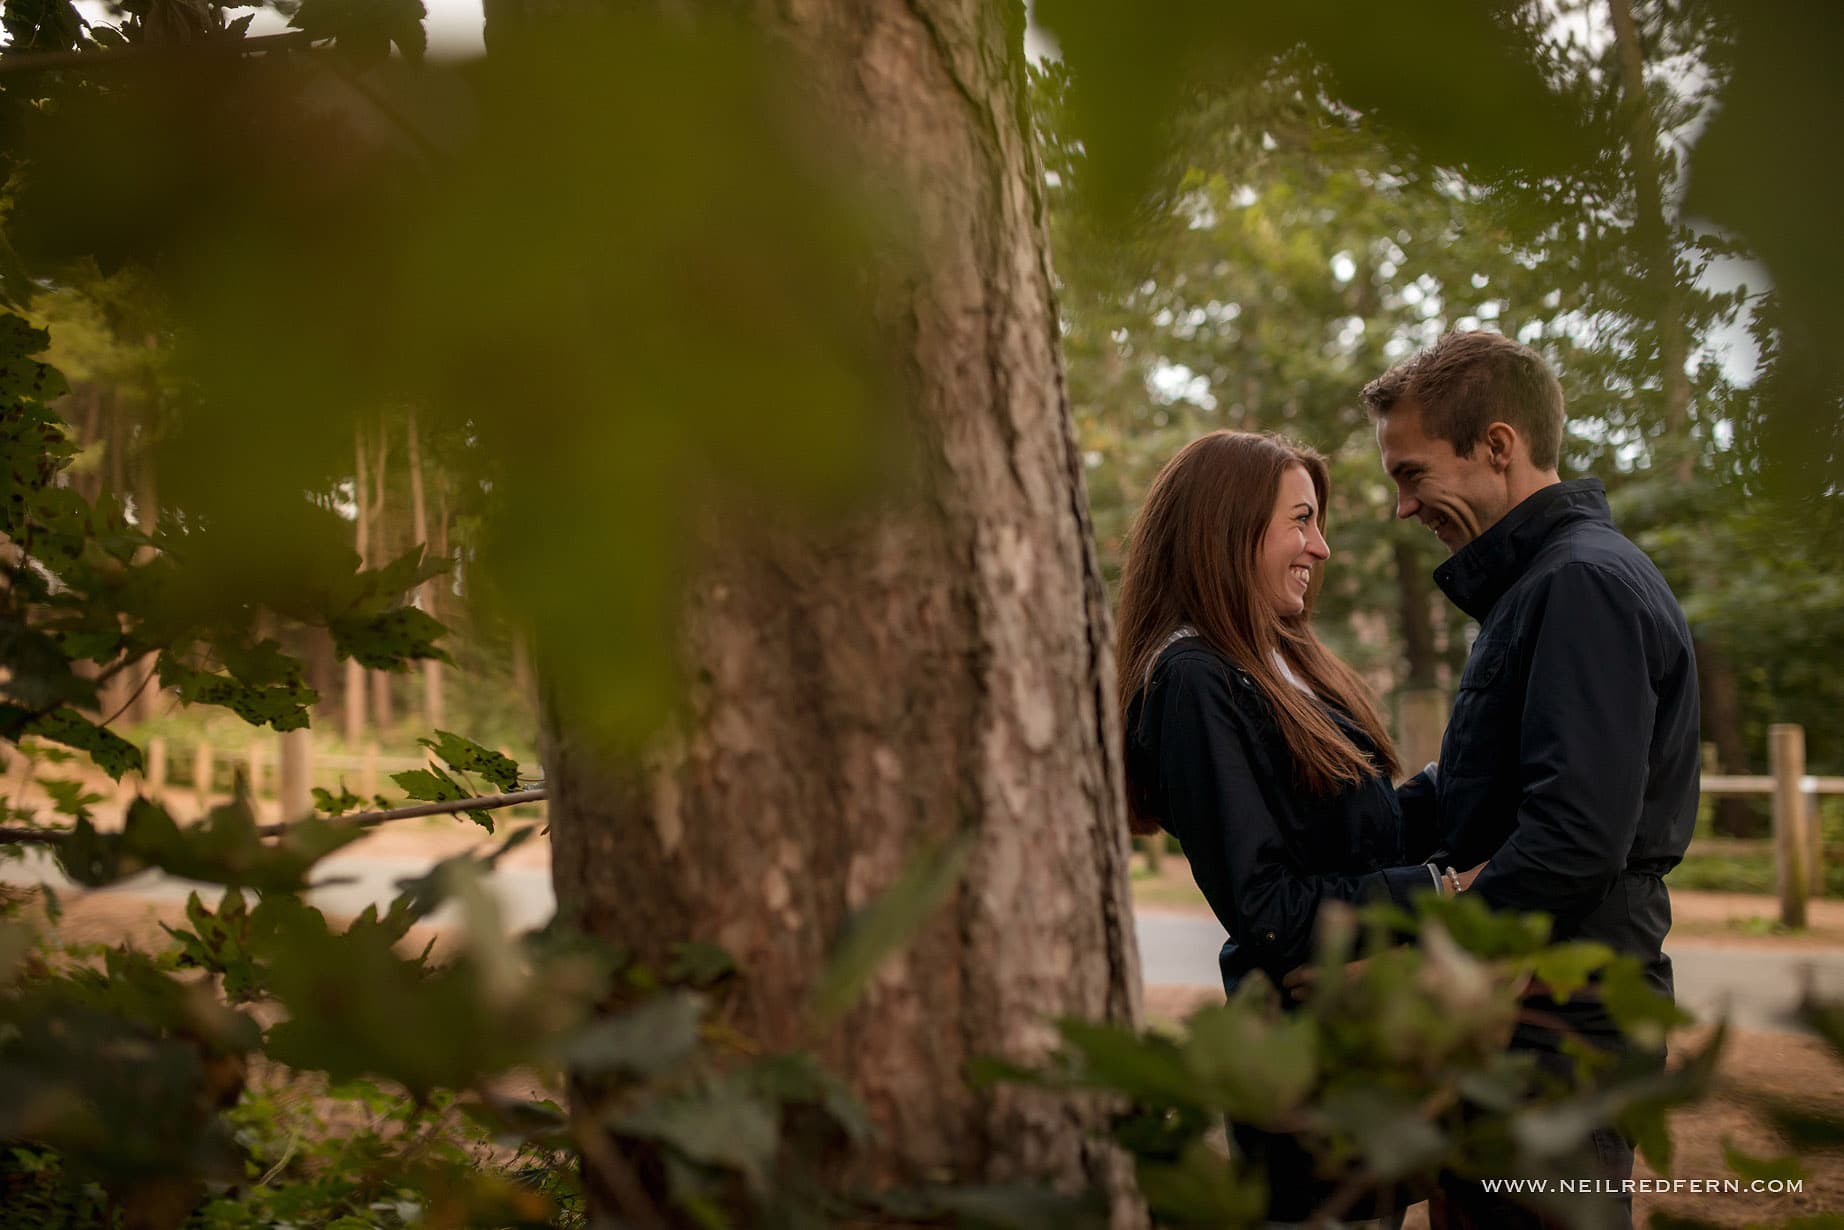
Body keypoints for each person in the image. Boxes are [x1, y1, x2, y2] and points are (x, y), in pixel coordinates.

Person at [1363, 330, 1700, 1229]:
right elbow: (1477, 785)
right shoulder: (1539, 586)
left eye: (1410, 473)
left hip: (1562, 1028)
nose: (1402, 507)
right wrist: (1340, 831)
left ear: (1498, 447)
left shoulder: (1581, 584)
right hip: (1524, 1019)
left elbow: (1574, 836)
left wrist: (1441, 929)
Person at [1118, 429, 1472, 1224]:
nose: (1321, 545)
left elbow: (1361, 824)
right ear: (1229, 529)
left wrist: (1477, 767)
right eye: (1301, 520)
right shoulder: (1193, 678)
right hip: (1297, 1064)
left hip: (1363, 1045)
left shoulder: (1280, 660)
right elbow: (1270, 907)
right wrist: (1440, 890)